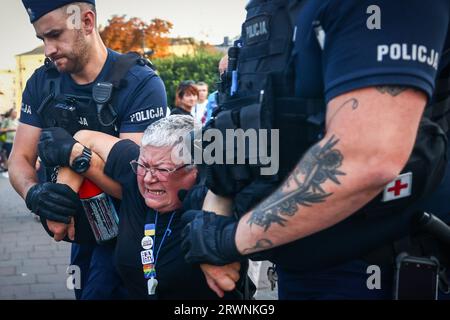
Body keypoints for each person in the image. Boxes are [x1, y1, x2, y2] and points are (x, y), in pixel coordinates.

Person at [181, 0, 450, 300]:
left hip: (379, 269)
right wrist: (213, 221)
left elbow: (367, 156)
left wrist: (227, 241)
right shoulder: (273, 11)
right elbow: (240, 124)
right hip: (297, 268)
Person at [9, 0, 167, 300]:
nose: (48, 49)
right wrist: (36, 195)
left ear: (87, 21)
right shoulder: (42, 83)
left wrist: (76, 156)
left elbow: (137, 186)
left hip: (131, 234)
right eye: (42, 39)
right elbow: (20, 158)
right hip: (79, 236)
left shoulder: (140, 84)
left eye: (55, 34)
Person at [37, 115, 246, 299]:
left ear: (196, 169)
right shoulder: (134, 174)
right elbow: (82, 138)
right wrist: (61, 201)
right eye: (143, 165)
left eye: (162, 169)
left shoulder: (216, 201)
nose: (147, 178)